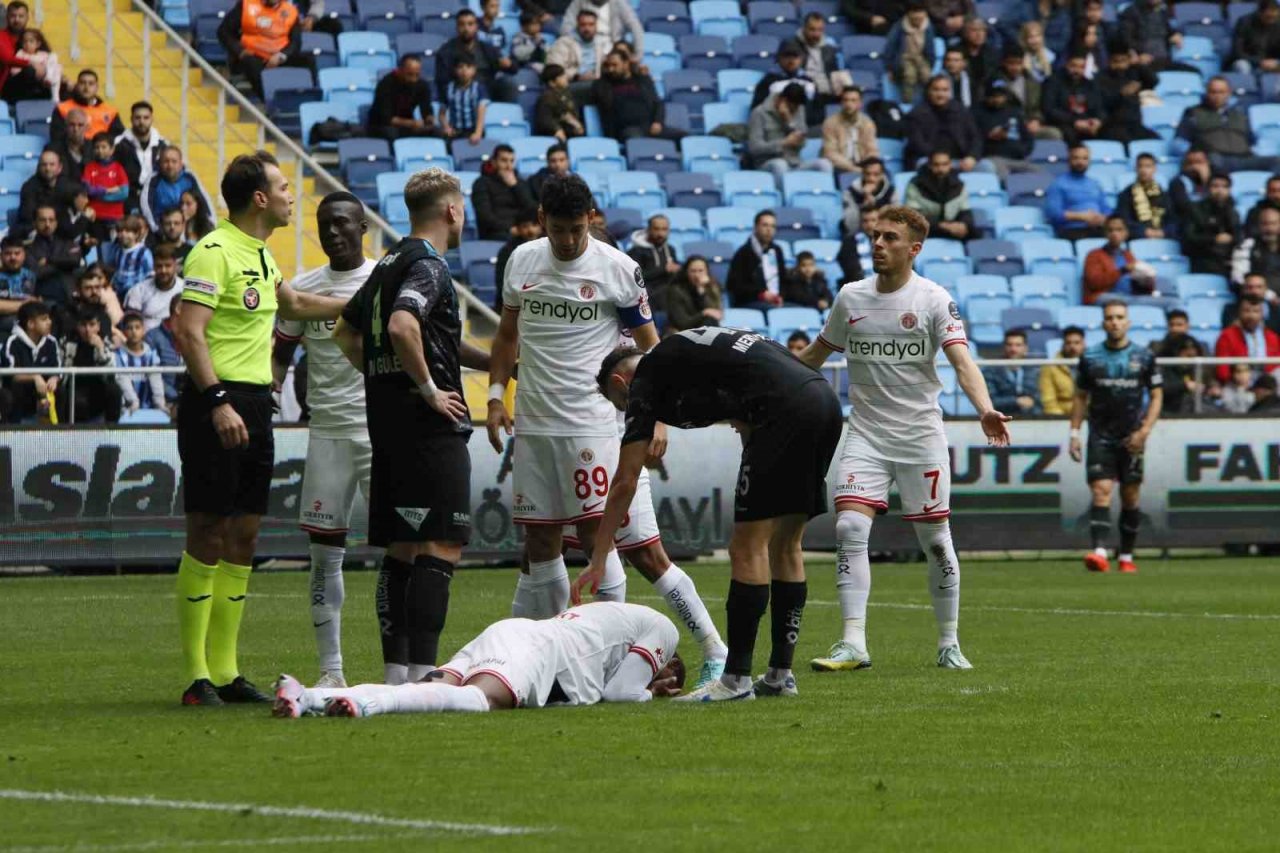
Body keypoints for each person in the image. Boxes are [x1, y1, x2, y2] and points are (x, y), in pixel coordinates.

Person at [487, 175, 725, 679]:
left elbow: (651, 346)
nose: (568, 240)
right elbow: (506, 336)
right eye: (558, 229)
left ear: (591, 218)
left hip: (593, 423)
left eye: (576, 229)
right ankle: (558, 665)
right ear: (541, 219)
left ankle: (697, 650)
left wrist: (656, 413)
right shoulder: (522, 261)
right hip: (534, 422)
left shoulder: (619, 269)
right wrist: (493, 397)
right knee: (541, 544)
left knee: (609, 540)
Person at [787, 204, 1010, 675]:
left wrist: (984, 407)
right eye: (874, 236)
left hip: (919, 438)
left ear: (914, 249)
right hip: (865, 433)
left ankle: (948, 642)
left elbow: (962, 362)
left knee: (934, 541)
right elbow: (815, 355)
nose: (878, 245)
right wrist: (769, 382)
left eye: (889, 238)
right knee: (849, 529)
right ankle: (853, 642)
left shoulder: (933, 300)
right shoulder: (851, 297)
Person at [580, 325, 843, 702]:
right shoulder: (684, 357)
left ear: (622, 383)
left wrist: (600, 556)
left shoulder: (647, 378)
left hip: (783, 412)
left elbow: (624, 481)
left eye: (620, 404)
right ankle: (780, 674)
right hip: (822, 402)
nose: (628, 411)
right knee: (786, 545)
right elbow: (746, 402)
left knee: (746, 547)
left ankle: (735, 680)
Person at [172, 150, 342, 707]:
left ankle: (225, 671)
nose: (294, 195)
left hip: (254, 403)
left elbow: (291, 302)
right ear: (261, 198)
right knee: (208, 532)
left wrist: (359, 302)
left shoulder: (263, 255)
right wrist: (217, 401)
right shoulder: (213, 251)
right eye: (284, 186)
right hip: (214, 403)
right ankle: (197, 675)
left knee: (244, 535)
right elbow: (189, 331)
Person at [332, 170, 490, 686]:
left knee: (401, 549)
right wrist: (425, 389)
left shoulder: (387, 263)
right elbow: (404, 326)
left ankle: (396, 675)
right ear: (451, 211)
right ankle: (425, 674)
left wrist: (393, 378)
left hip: (390, 429)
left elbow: (345, 333)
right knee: (441, 545)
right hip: (431, 429)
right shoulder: (429, 266)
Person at [270, 193, 378, 688]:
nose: (332, 232)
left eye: (341, 223)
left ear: (362, 227)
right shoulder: (302, 290)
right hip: (328, 435)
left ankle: (405, 670)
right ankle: (331, 672)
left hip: (382, 433)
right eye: (323, 225)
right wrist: (263, 392)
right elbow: (281, 356)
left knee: (403, 551)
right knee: (323, 555)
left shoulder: (385, 280)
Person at [273, 602, 683, 717]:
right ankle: (364, 703)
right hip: (538, 652)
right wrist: (648, 692)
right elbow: (619, 693)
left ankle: (307, 696)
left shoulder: (617, 623)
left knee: (426, 692)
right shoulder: (664, 628)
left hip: (511, 633)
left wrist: (645, 684)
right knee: (478, 701)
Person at [1069, 300, 1163, 574]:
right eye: (1110, 317)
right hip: (1100, 434)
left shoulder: (1144, 357)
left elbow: (1157, 395)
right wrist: (1074, 432)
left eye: (1120, 317)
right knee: (1101, 490)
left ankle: (1126, 556)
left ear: (1128, 322)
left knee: (1131, 495)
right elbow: (1080, 397)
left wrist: (1144, 431)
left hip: (1132, 436)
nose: (1114, 322)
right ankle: (1099, 552)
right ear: (1103, 323)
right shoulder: (1090, 357)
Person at [1175, 77, 1280, 174]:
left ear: (1229, 93)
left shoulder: (1240, 115)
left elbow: (1252, 141)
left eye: (1221, 92)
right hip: (1216, 158)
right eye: (1213, 92)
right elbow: (1179, 142)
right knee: (1213, 161)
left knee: (1276, 161)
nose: (1217, 96)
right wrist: (1193, 154)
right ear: (1206, 93)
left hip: (1244, 158)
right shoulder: (1194, 113)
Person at [217, 0, 315, 100]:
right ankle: (270, 101)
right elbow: (224, 32)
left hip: (278, 57)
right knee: (250, 62)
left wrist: (281, 56)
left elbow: (296, 43)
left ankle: (309, 100)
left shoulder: (291, 11)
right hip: (252, 56)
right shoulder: (246, 4)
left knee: (308, 60)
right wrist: (240, 51)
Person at [747, 84, 832, 185]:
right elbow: (754, 148)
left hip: (795, 163)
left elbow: (802, 143)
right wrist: (783, 143)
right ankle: (784, 199)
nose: (795, 110)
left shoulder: (799, 109)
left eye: (798, 107)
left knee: (824, 164)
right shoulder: (759, 113)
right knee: (780, 165)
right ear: (781, 100)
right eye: (792, 107)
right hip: (767, 164)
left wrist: (789, 121)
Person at [592, 50, 681, 143]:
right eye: (608, 65)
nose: (611, 69)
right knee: (638, 141)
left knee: (685, 138)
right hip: (626, 130)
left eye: (615, 65)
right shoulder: (603, 84)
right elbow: (603, 100)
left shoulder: (642, 80)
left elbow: (657, 103)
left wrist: (657, 122)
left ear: (626, 64)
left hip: (650, 127)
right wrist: (603, 71)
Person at [903, 75, 985, 173]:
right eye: (936, 90)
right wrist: (940, 159)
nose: (940, 94)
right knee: (923, 164)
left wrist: (972, 157)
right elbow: (917, 144)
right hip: (930, 160)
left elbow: (975, 137)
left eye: (945, 90)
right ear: (928, 91)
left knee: (986, 167)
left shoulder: (961, 111)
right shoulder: (916, 114)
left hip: (960, 160)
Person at [434, 9, 514, 105]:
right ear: (457, 27)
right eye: (462, 24)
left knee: (508, 84)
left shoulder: (487, 48)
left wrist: (508, 65)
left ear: (476, 27)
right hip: (460, 94)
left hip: (486, 92)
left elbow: (512, 69)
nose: (466, 28)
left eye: (470, 24)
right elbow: (442, 82)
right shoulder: (445, 51)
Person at [3, 301, 62, 423]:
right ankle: (14, 429)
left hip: (44, 390)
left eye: (49, 318)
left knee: (61, 391)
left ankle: (59, 430)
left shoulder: (51, 342)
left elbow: (58, 368)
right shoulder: (12, 342)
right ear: (31, 324)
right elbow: (11, 375)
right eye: (44, 319)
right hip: (19, 391)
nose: (49, 322)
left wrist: (54, 378)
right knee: (12, 392)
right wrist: (34, 377)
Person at [61, 303, 120, 422]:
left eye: (92, 325)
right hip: (74, 387)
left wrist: (100, 348)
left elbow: (111, 373)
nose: (87, 330)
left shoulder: (106, 342)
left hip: (97, 388)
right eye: (83, 325)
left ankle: (112, 430)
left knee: (114, 391)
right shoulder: (66, 343)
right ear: (78, 326)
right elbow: (61, 372)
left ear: (98, 326)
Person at [971, 78, 1036, 180]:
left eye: (1000, 96)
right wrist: (989, 137)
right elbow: (972, 141)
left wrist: (1021, 150)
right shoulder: (976, 113)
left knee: (1041, 175)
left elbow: (1028, 138)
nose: (997, 99)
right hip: (993, 158)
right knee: (1005, 178)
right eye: (993, 96)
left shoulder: (1015, 112)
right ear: (986, 96)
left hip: (1018, 159)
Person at [904, 150, 976, 241]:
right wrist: (942, 226)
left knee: (974, 232)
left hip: (954, 229)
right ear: (929, 165)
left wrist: (963, 225)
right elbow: (913, 216)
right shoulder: (915, 184)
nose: (941, 169)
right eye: (936, 165)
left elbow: (965, 212)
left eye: (945, 164)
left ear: (950, 164)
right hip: (927, 229)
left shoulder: (959, 184)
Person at [141, 147, 217, 233]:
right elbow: (146, 205)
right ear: (160, 164)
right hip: (162, 228)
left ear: (181, 163)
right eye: (166, 161)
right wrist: (156, 228)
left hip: (188, 226)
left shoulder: (189, 177)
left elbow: (204, 199)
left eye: (174, 161)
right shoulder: (153, 180)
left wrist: (212, 222)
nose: (170, 165)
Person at [367, 54, 439, 141]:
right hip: (382, 125)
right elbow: (386, 117)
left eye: (417, 75)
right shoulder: (386, 84)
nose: (413, 79)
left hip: (408, 124)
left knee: (435, 132)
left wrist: (429, 119)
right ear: (400, 70)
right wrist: (411, 123)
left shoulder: (421, 85)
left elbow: (426, 108)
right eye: (410, 74)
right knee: (391, 133)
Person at [545, 8, 611, 102]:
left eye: (591, 24)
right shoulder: (563, 43)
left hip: (596, 84)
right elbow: (551, 72)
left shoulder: (600, 44)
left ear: (596, 26)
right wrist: (577, 76)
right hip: (570, 85)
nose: (587, 28)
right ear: (577, 25)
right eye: (583, 25)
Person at [1045, 143, 1109, 239]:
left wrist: (1102, 218)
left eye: (1085, 158)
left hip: (1098, 229)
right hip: (1073, 231)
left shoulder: (1095, 184)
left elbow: (1106, 209)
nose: (1080, 162)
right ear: (1069, 160)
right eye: (1076, 158)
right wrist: (1082, 217)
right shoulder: (1058, 184)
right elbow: (1054, 214)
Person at [726, 210, 787, 310]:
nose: (769, 229)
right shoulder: (743, 253)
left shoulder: (777, 250)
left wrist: (781, 296)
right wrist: (761, 294)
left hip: (776, 300)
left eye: (772, 226)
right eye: (765, 225)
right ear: (756, 227)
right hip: (752, 302)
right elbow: (735, 286)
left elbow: (783, 280)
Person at [1183, 172, 1239, 278]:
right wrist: (1214, 239)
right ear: (1207, 188)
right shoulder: (1195, 209)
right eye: (1215, 186)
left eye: (1224, 187)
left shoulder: (1232, 211)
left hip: (1229, 260)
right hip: (1204, 258)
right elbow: (1189, 237)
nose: (1220, 191)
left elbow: (1238, 236)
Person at [783, 12, 849, 104]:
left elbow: (835, 71)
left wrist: (846, 89)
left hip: (827, 93)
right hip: (804, 92)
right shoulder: (791, 45)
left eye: (820, 30)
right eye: (812, 30)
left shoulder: (829, 47)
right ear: (804, 28)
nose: (816, 34)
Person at [1213, 296, 1280, 384]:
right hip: (1236, 384)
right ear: (1239, 313)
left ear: (1262, 314)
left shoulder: (1272, 337)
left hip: (1267, 384)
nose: (1251, 316)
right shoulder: (1226, 336)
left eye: (1256, 311)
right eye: (1247, 311)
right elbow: (1222, 370)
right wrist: (1237, 377)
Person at [1042, 52, 1103, 146]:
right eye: (1073, 66)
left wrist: (1097, 120)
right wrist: (1074, 122)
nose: (1077, 70)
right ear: (1066, 64)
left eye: (1081, 67)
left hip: (1086, 123)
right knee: (1070, 134)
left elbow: (1099, 107)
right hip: (1063, 123)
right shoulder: (1053, 82)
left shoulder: (1090, 84)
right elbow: (1049, 109)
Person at [27, 204, 82, 308]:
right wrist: (64, 265)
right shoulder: (28, 249)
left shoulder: (68, 243)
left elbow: (74, 261)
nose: (47, 224)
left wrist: (49, 261)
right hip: (45, 300)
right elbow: (35, 273)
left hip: (71, 296)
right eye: (42, 220)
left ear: (56, 223)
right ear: (34, 223)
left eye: (51, 220)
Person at [17, 149, 80, 239]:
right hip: (38, 233)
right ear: (38, 167)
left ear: (60, 168)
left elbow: (81, 199)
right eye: (44, 165)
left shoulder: (67, 185)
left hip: (62, 234)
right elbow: (28, 217)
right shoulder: (29, 187)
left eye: (52, 164)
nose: (48, 168)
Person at [1083, 216, 1147, 303]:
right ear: (1105, 234)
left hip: (1129, 296)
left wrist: (1145, 277)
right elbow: (1094, 283)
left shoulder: (1128, 255)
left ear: (1126, 233)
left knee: (1169, 301)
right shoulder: (1094, 255)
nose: (1114, 234)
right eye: (1110, 230)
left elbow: (1135, 283)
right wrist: (1123, 270)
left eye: (1119, 230)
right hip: (1103, 296)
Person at [113, 311, 167, 415]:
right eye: (129, 328)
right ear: (123, 331)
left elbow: (156, 380)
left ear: (143, 330)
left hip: (149, 408)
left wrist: (160, 403)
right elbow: (122, 380)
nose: (134, 331)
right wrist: (133, 402)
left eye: (137, 327)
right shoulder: (118, 355)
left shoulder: (151, 354)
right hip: (126, 409)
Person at [51, 69, 125, 144]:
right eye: (82, 83)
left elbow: (118, 137)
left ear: (97, 87)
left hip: (100, 152)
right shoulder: (62, 109)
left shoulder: (110, 112)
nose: (86, 87)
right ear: (77, 86)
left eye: (91, 84)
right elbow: (57, 137)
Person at [884, 2, 938, 105]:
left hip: (920, 57)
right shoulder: (899, 27)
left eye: (921, 12)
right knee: (910, 75)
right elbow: (890, 47)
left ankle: (928, 102)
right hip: (904, 57)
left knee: (927, 76)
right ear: (908, 14)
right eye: (914, 12)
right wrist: (889, 68)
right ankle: (907, 103)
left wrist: (930, 64)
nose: (918, 16)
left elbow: (931, 48)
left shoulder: (928, 27)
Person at [124, 244, 184, 332]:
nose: (163, 270)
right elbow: (131, 323)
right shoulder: (139, 290)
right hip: (147, 340)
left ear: (175, 266)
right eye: (159, 266)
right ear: (153, 266)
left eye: (168, 266)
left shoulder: (185, 289)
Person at [821, 87, 880, 176]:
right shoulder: (830, 123)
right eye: (846, 100)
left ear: (860, 103)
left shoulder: (867, 123)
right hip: (839, 166)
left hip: (862, 164)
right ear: (841, 103)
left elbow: (872, 150)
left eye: (853, 100)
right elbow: (830, 153)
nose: (849, 104)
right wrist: (853, 168)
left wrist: (868, 166)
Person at [626, 214, 680, 310]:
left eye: (664, 229)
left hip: (668, 290)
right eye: (656, 229)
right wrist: (664, 269)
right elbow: (636, 278)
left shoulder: (670, 249)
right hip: (647, 293)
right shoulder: (636, 251)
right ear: (649, 230)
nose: (660, 234)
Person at [81, 133, 130, 235]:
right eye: (97, 147)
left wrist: (99, 197)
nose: (100, 150)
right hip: (95, 216)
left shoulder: (118, 168)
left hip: (115, 217)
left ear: (112, 149)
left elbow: (124, 193)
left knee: (114, 247)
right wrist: (107, 190)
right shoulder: (89, 168)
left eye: (104, 147)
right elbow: (87, 190)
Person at [983, 329, 1041, 415]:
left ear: (1026, 348)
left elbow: (1041, 398)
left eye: (1018, 345)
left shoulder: (1035, 370)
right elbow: (989, 401)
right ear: (1003, 347)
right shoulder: (990, 370)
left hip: (1032, 419)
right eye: (1009, 345)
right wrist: (1016, 401)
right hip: (1001, 418)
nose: (1013, 349)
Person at [1115, 153, 1172, 240]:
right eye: (1140, 166)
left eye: (1148, 166)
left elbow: (1173, 219)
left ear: (1154, 169)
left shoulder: (1163, 194)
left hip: (1163, 237)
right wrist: (1144, 231)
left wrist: (1163, 232)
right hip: (1138, 238)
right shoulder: (1126, 194)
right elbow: (1124, 220)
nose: (1143, 170)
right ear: (1136, 169)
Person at [494, 207, 542, 308]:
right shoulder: (507, 251)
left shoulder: (550, 247)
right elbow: (502, 283)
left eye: (534, 225)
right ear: (518, 229)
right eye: (525, 226)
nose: (530, 230)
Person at [751, 43, 818, 116]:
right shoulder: (768, 81)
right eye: (787, 56)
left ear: (802, 59)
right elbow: (757, 110)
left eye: (795, 56)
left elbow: (818, 110)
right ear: (778, 58)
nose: (791, 61)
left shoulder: (809, 81)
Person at [558, 0, 643, 54]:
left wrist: (638, 54)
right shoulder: (579, 2)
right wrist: (574, 43)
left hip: (612, 45)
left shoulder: (619, 2)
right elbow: (566, 26)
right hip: (584, 45)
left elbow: (635, 27)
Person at [665, 256, 723, 333]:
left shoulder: (711, 287)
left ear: (707, 272)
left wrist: (701, 290)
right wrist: (704, 313)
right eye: (693, 271)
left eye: (701, 271)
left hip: (704, 331)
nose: (697, 275)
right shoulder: (675, 291)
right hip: (680, 333)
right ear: (686, 272)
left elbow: (716, 315)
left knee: (710, 322)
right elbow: (683, 324)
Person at [147, 292, 185, 410]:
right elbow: (151, 373)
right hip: (163, 402)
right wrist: (175, 397)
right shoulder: (152, 336)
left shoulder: (198, 335)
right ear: (176, 311)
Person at [115, 101, 166, 187]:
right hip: (128, 196)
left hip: (154, 195)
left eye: (146, 118)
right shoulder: (118, 144)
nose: (141, 122)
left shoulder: (162, 145)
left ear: (152, 119)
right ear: (131, 119)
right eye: (137, 118)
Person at [438, 57, 488, 143]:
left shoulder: (479, 88)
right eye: (460, 67)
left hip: (473, 131)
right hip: (455, 132)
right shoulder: (448, 88)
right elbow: (442, 113)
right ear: (455, 70)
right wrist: (446, 127)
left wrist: (478, 133)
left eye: (468, 67)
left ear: (474, 70)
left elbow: (481, 111)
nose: (464, 71)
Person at [4, 26, 60, 103]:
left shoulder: (43, 54)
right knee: (30, 71)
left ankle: (55, 95)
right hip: (27, 82)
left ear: (38, 44)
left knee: (55, 60)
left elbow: (52, 65)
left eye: (31, 41)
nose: (27, 44)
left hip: (44, 80)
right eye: (25, 42)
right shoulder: (21, 54)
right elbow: (14, 71)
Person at [1232, 208, 1280, 293]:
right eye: (1265, 224)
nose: (1269, 228)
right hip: (1258, 298)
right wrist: (1268, 295)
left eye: (1273, 224)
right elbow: (1238, 278)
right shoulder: (1246, 245)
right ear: (1258, 226)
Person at [1040, 325, 1085, 415]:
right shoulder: (1049, 367)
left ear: (1084, 344)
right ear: (1063, 345)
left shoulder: (1093, 365)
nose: (1072, 347)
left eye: (1077, 343)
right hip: (1059, 417)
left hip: (1088, 416)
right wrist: (1060, 419)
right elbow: (1048, 400)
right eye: (1068, 343)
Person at [532, 64, 583, 141]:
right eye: (561, 76)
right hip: (554, 135)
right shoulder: (546, 98)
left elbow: (572, 114)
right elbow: (545, 120)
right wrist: (556, 129)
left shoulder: (567, 94)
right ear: (552, 82)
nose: (565, 78)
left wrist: (577, 125)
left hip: (571, 133)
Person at [108, 215, 154, 298]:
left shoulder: (143, 252)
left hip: (137, 294)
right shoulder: (119, 251)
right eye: (120, 231)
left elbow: (149, 275)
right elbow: (118, 272)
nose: (123, 234)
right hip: (120, 293)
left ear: (136, 234)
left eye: (128, 231)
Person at [1230, 0, 1280, 75]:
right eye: (1268, 17)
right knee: (1242, 65)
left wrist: (1275, 62)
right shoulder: (1244, 22)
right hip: (1248, 61)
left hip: (1270, 62)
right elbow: (1238, 52)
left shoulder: (1277, 25)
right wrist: (1260, 62)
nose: (1271, 21)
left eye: (1274, 17)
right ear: (1260, 13)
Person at [0, 237, 35, 340]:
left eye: (17, 253)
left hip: (27, 325)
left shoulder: (32, 276)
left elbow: (38, 302)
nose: (13, 257)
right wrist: (23, 305)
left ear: (24, 255)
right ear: (1, 255)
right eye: (8, 253)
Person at [0, 0, 30, 99]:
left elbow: (46, 57)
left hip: (30, 86)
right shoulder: (1, 36)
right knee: (31, 71)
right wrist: (31, 63)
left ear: (27, 18)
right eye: (13, 16)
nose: (17, 20)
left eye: (21, 16)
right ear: (7, 17)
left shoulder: (32, 36)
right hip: (7, 86)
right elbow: (7, 59)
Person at [1244, 176, 1280, 240]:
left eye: (1279, 191)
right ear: (1266, 192)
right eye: (1272, 191)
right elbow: (1250, 233)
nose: (1276, 195)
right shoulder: (1255, 212)